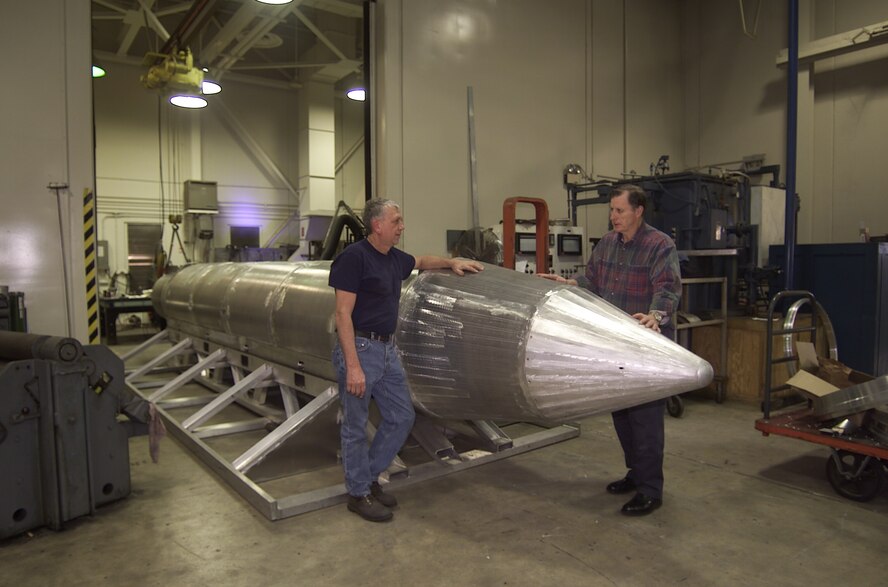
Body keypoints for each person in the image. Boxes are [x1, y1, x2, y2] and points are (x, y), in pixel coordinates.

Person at [329, 198, 484, 522]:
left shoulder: (393, 259)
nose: (402, 226)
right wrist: (353, 365)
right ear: (377, 225)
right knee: (356, 426)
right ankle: (358, 494)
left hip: (386, 350)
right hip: (360, 349)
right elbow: (342, 314)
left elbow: (422, 260)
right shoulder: (353, 259)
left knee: (401, 416)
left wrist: (450, 262)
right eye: (396, 221)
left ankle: (368, 478)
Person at [539, 184, 680, 516]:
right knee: (621, 414)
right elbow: (594, 282)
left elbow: (668, 289)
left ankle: (650, 489)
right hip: (613, 341)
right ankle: (636, 473)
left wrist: (656, 315)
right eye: (612, 211)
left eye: (620, 210)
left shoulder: (660, 245)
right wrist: (570, 284)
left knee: (645, 419)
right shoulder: (606, 244)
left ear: (638, 211)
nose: (613, 216)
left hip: (645, 342)